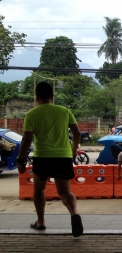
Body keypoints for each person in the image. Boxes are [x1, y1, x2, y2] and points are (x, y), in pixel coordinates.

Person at [16, 82, 84, 237]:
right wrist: (73, 152)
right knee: (65, 192)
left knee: (39, 189)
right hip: (63, 156)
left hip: (42, 157)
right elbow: (77, 133)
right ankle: (74, 214)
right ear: (53, 97)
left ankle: (40, 222)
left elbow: (27, 139)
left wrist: (20, 160)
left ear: (37, 97)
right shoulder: (65, 111)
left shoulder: (31, 114)